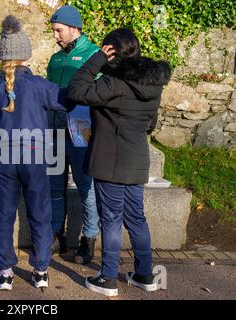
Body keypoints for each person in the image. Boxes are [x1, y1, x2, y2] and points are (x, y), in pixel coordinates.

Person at [68, 28, 171, 296]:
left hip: (109, 161)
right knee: (136, 218)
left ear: (110, 51)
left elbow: (76, 91)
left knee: (111, 218)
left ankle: (108, 278)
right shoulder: (153, 84)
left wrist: (96, 59)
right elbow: (150, 124)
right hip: (137, 159)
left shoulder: (113, 84)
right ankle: (144, 274)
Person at [0, 15, 68, 291]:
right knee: (40, 213)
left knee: (4, 215)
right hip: (34, 157)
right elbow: (68, 101)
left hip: (4, 160)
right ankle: (40, 270)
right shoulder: (39, 86)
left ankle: (5, 272)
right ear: (26, 55)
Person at [46, 5, 100, 264]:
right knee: (54, 186)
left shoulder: (94, 55)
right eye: (54, 30)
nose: (55, 36)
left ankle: (88, 241)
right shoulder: (55, 59)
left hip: (82, 132)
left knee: (85, 187)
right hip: (54, 132)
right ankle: (57, 235)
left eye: (59, 30)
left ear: (74, 28)